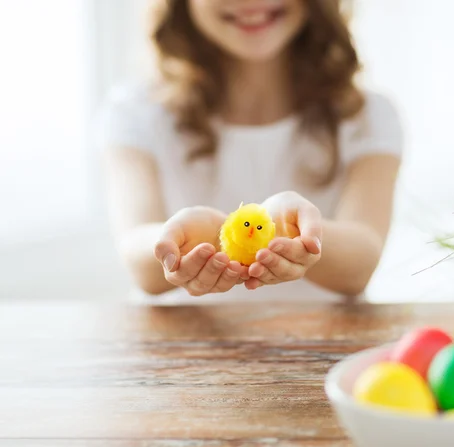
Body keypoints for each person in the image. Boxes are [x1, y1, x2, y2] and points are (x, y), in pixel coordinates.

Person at [98, 0, 403, 303]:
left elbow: (361, 262)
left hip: (323, 342)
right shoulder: (134, 111)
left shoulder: (367, 116)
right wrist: (187, 237)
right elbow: (139, 259)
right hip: (175, 341)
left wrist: (298, 233)